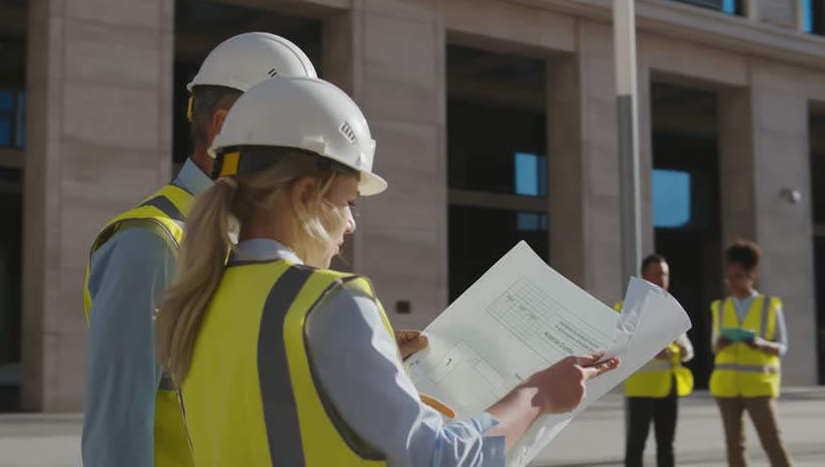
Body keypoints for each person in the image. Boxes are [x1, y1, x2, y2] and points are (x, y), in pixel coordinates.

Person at [153, 76, 620, 466]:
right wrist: (537, 395)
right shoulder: (330, 302)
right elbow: (438, 458)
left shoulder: (197, 301)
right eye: (349, 202)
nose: (351, 224)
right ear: (304, 195)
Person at [80, 33, 318, 467]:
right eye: (291, 139)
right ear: (224, 127)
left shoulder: (252, 237)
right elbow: (117, 431)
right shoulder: (150, 243)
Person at [710, 239, 793, 467]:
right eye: (729, 277)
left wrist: (760, 343)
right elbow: (714, 348)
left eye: (738, 276)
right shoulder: (720, 307)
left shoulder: (769, 305)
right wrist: (721, 343)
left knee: (772, 442)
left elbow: (782, 346)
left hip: (759, 385)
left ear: (751, 276)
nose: (732, 282)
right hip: (726, 386)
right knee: (734, 444)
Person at [613, 254, 694, 467]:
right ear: (644, 276)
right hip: (640, 389)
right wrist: (652, 350)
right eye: (656, 274)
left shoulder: (671, 309)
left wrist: (675, 350)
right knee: (636, 445)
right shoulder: (627, 308)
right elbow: (618, 345)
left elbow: (688, 350)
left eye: (665, 274)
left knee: (667, 445)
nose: (662, 279)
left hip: (668, 387)